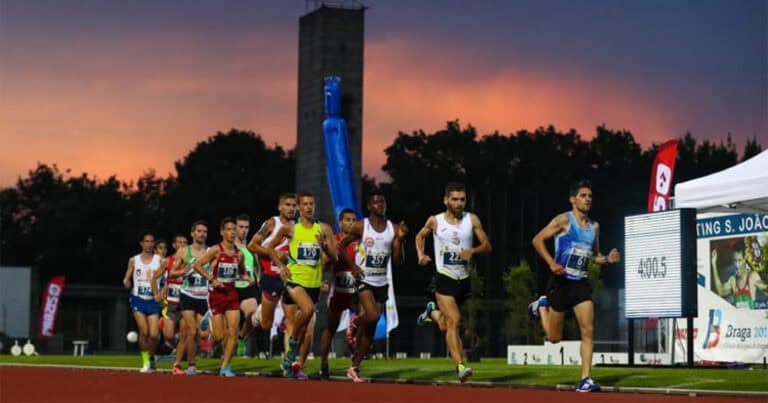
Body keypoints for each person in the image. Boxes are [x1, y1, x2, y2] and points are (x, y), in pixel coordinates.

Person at [528, 180, 620, 392]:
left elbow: (594, 256)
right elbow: (537, 240)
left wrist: (608, 259)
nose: (588, 199)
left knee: (588, 330)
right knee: (553, 338)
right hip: (560, 283)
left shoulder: (594, 227)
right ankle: (542, 306)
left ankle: (585, 379)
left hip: (581, 285)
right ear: (572, 199)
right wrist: (551, 263)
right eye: (583, 195)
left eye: (589, 196)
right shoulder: (563, 221)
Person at [414, 182, 491, 383]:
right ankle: (460, 366)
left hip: (463, 280)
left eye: (462, 199)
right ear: (446, 200)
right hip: (444, 277)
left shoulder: (472, 220)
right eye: (454, 199)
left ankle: (432, 312)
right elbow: (420, 236)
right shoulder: (435, 221)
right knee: (455, 321)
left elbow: (487, 245)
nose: (458, 203)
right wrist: (420, 254)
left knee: (446, 325)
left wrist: (472, 251)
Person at [339, 190, 407, 383]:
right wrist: (353, 266)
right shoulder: (362, 226)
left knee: (371, 330)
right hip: (364, 280)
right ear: (369, 206)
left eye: (382, 201)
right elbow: (342, 246)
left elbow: (397, 261)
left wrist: (400, 241)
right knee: (373, 316)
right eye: (375, 202)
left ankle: (354, 367)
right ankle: (356, 323)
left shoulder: (393, 228)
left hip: (381, 282)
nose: (379, 205)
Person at [270, 191, 337, 379]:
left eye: (311, 203)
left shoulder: (323, 229)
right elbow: (270, 249)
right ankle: (291, 347)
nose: (308, 207)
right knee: (306, 310)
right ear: (298, 207)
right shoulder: (290, 228)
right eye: (305, 204)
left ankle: (290, 361)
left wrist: (324, 247)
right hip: (294, 280)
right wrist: (281, 266)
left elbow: (335, 258)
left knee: (306, 327)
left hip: (313, 283)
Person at [193, 217, 254, 377]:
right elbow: (197, 265)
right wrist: (212, 279)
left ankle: (225, 367)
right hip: (216, 295)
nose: (232, 232)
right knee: (219, 337)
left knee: (234, 331)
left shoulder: (239, 254)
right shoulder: (215, 250)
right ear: (222, 232)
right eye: (229, 229)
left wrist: (247, 277)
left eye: (234, 229)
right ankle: (210, 319)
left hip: (232, 293)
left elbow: (241, 272)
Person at [319, 208, 361, 379]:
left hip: (356, 291)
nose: (350, 223)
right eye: (347, 220)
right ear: (340, 222)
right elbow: (325, 263)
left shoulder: (360, 241)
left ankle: (354, 361)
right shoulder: (334, 241)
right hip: (338, 291)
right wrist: (321, 280)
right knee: (331, 328)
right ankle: (323, 364)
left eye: (353, 220)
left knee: (366, 319)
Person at [247, 194, 297, 333]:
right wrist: (273, 253)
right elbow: (252, 246)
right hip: (270, 273)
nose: (291, 208)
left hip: (290, 275)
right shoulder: (271, 223)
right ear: (279, 207)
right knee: (266, 324)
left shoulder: (298, 227)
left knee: (291, 317)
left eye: (294, 205)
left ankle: (291, 353)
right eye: (287, 205)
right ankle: (257, 315)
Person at [169, 220, 210, 375]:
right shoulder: (184, 251)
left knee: (203, 334)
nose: (202, 234)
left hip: (203, 296)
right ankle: (190, 365)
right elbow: (172, 272)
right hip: (188, 295)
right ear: (193, 233)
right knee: (191, 331)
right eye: (199, 231)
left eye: (205, 231)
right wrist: (184, 270)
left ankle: (179, 362)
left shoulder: (210, 251)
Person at [122, 231, 162, 373]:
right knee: (144, 332)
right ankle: (145, 362)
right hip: (138, 299)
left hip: (153, 300)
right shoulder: (134, 260)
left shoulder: (159, 260)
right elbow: (127, 277)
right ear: (141, 243)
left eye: (152, 241)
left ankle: (151, 357)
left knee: (154, 335)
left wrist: (161, 293)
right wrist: (126, 281)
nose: (149, 244)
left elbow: (166, 279)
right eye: (146, 241)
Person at [152, 234, 188, 374]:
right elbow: (154, 278)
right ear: (174, 245)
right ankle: (167, 329)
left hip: (186, 302)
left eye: (185, 243)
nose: (182, 245)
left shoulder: (191, 261)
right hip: (171, 303)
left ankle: (177, 365)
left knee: (185, 335)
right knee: (168, 335)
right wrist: (156, 293)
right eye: (179, 243)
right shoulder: (167, 261)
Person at [711, 244, 767, 309]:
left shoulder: (752, 277)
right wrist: (713, 263)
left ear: (744, 260)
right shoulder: (733, 280)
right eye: (735, 261)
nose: (737, 265)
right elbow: (720, 291)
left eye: (739, 260)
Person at [234, 214, 259, 356]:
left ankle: (241, 337)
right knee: (230, 325)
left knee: (252, 315)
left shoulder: (251, 248)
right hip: (231, 288)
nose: (243, 230)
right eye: (241, 227)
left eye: (246, 227)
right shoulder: (228, 247)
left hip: (247, 288)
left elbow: (256, 268)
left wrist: (256, 279)